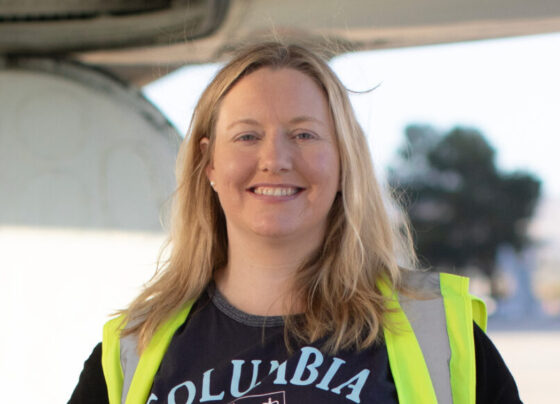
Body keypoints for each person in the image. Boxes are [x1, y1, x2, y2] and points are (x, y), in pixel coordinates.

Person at [69, 42, 521, 404]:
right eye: (247, 136)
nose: (275, 160)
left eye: (304, 135)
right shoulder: (132, 352)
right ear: (208, 163)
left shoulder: (438, 336)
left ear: (344, 161)